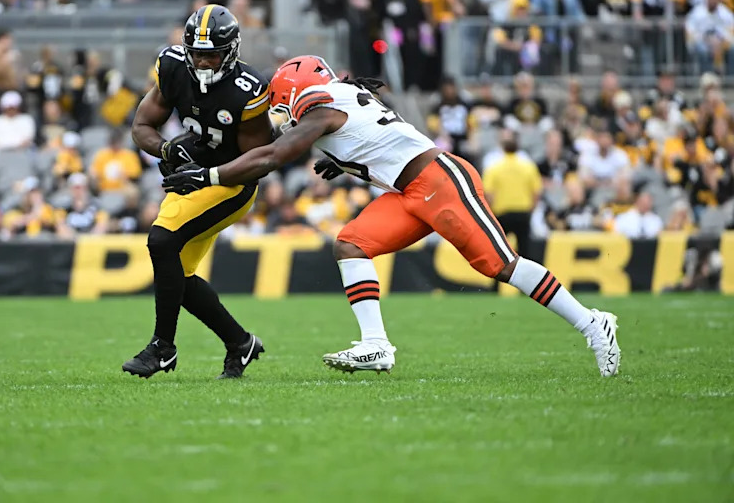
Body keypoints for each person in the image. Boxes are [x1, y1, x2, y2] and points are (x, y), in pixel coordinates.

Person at [162, 56, 621, 378]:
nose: (281, 114)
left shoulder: (320, 107)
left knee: (500, 265)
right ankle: (376, 345)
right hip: (408, 190)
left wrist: (209, 175)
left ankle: (592, 322)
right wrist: (342, 161)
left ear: (295, 93)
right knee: (352, 242)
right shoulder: (339, 98)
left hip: (439, 183)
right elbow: (373, 140)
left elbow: (274, 155)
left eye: (282, 104)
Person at [122, 4, 274, 380]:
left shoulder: (247, 89)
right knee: (178, 275)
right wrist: (167, 149)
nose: (204, 63)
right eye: (198, 54)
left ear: (231, 51)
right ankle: (240, 343)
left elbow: (258, 159)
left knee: (161, 242)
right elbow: (142, 125)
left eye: (212, 55)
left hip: (231, 182)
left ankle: (163, 347)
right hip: (192, 172)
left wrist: (207, 174)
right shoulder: (173, 66)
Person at [482, 131, 542, 258]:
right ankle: (524, 277)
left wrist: (492, 210)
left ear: (503, 148)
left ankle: (497, 277)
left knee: (499, 250)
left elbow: (488, 193)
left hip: (502, 214)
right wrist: (531, 209)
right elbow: (536, 192)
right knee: (525, 249)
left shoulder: (495, 168)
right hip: (523, 213)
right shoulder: (528, 167)